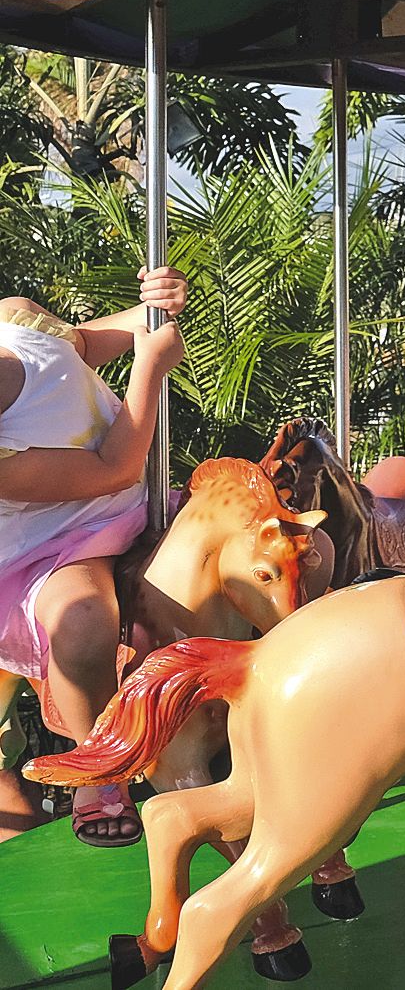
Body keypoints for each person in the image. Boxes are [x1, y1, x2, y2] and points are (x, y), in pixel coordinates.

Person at [0, 266, 186, 846]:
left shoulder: (15, 317)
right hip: (60, 538)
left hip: (144, 498)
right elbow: (113, 469)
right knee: (81, 619)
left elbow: (81, 343)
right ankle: (97, 769)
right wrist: (151, 371)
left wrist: (150, 311)